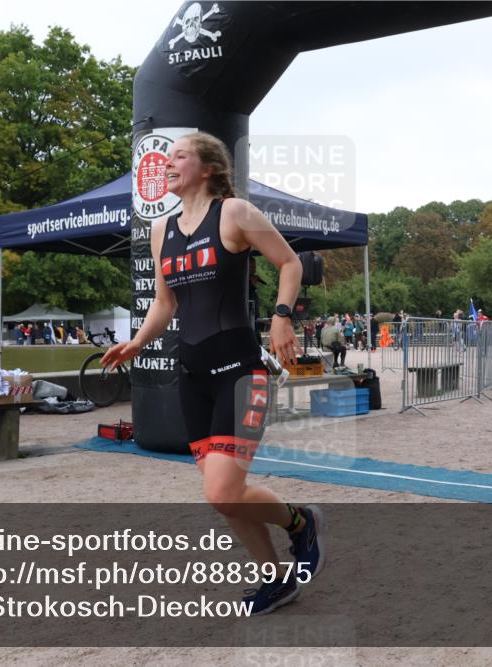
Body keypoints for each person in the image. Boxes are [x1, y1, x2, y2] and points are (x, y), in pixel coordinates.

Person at [100, 132, 322, 615]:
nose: (167, 162)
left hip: (240, 372)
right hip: (193, 375)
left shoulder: (235, 213)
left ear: (206, 168)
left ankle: (301, 524)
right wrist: (138, 342)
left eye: (179, 155)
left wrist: (281, 317)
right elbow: (165, 302)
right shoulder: (162, 229)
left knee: (221, 489)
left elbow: (289, 263)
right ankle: (278, 578)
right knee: (226, 497)